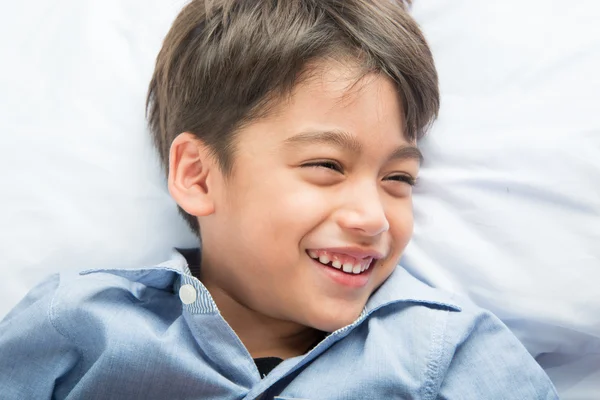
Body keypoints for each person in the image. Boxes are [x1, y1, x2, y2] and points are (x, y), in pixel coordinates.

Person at [0, 1, 559, 398]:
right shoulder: (78, 325)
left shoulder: (450, 350)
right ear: (198, 176)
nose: (371, 218)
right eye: (325, 166)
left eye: (398, 179)